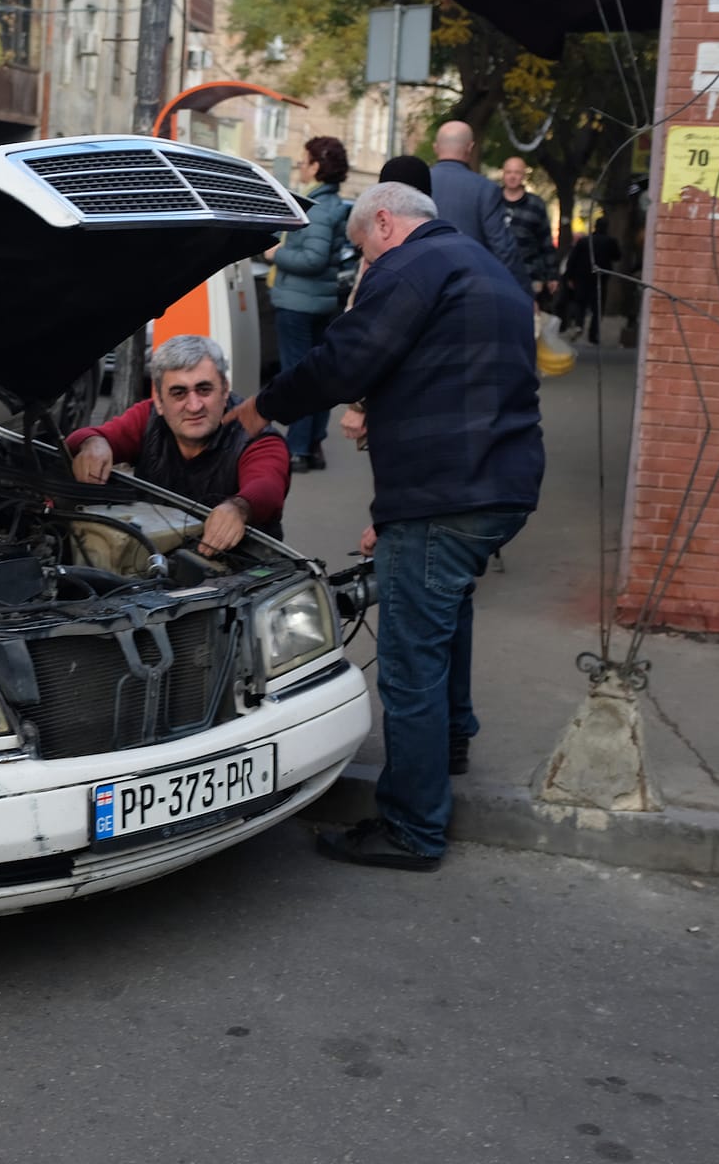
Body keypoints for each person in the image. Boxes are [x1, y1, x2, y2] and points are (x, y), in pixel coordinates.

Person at [227, 182, 544, 871]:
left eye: (360, 247)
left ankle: (413, 827)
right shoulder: (485, 268)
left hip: (443, 494)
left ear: (384, 224)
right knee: (446, 615)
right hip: (500, 486)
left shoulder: (409, 266)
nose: (361, 265)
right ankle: (450, 745)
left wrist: (263, 407)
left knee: (409, 663)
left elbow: (346, 359)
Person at [67, 335, 289, 556]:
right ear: (160, 402)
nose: (193, 406)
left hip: (241, 567)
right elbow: (82, 438)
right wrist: (93, 443)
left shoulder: (257, 436)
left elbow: (267, 487)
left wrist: (239, 508)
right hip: (151, 559)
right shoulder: (147, 417)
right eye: (179, 393)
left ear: (224, 391)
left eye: (204, 389)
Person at [262, 136, 351, 472]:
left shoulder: (319, 208)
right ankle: (312, 445)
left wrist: (276, 254)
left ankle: (297, 447)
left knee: (298, 376)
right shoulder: (330, 204)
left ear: (316, 166)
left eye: (304, 159)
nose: (300, 164)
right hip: (317, 302)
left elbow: (313, 258)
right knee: (317, 376)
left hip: (299, 303)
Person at [338, 156, 433, 448]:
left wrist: (357, 405)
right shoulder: (439, 244)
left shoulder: (383, 259)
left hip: (393, 399)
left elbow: (368, 336)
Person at [429, 121, 530, 296]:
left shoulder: (417, 183)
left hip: (421, 284)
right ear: (470, 147)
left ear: (435, 147)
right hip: (467, 289)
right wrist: (523, 290)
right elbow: (502, 246)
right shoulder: (485, 189)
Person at [500, 156, 560, 310]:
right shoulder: (491, 201)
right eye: (509, 172)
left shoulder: (536, 204)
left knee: (528, 318)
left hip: (530, 274)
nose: (512, 176)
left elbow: (546, 241)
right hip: (497, 272)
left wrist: (552, 275)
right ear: (503, 174)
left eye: (517, 172)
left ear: (523, 176)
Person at [558, 216, 624, 344]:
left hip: (582, 277)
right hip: (600, 278)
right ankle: (593, 334)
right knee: (597, 307)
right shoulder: (610, 242)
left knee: (581, 304)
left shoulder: (584, 241)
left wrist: (569, 276)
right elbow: (617, 256)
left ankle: (579, 325)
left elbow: (573, 259)